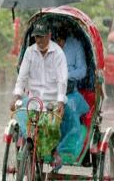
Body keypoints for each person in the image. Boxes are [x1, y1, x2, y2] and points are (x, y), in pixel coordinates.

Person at [10, 18, 68, 170]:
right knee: (23, 122)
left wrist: (61, 101)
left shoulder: (58, 53)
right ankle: (28, 151)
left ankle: (54, 152)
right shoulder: (30, 52)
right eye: (36, 37)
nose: (39, 40)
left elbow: (62, 80)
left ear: (49, 35)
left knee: (51, 126)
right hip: (33, 100)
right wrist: (16, 95)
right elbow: (22, 76)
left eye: (42, 36)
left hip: (52, 101)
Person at [56, 25, 90, 161]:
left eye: (60, 40)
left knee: (68, 108)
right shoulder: (47, 46)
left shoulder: (75, 46)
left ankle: (69, 149)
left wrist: (65, 75)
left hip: (70, 92)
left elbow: (82, 70)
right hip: (50, 90)